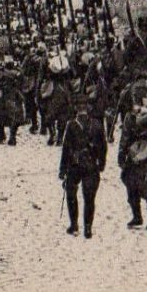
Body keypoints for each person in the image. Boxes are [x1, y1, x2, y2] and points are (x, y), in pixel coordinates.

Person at [59, 101, 108, 237]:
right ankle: (87, 228)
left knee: (71, 194)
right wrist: (101, 163)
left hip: (75, 165)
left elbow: (66, 148)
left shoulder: (71, 125)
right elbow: (103, 147)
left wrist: (62, 169)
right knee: (89, 198)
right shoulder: (97, 125)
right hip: (91, 165)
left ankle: (74, 225)